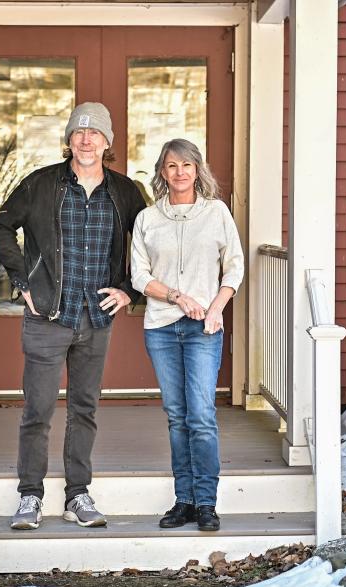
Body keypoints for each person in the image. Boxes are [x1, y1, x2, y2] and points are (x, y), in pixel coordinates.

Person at [0, 103, 147, 530]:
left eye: (95, 133)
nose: (86, 139)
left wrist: (130, 289)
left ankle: (77, 494)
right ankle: (30, 496)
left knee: (84, 408)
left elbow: (151, 242)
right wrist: (22, 282)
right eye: (78, 132)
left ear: (107, 141)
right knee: (37, 410)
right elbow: (0, 227)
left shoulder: (126, 191)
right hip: (47, 316)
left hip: (96, 318)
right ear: (69, 139)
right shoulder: (42, 184)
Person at [130, 139, 244, 532]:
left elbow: (234, 267)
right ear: (162, 172)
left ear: (198, 170)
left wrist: (216, 307)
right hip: (161, 327)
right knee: (177, 417)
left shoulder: (216, 213)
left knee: (201, 415)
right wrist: (178, 297)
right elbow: (140, 277)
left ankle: (207, 502)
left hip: (204, 329)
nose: (179, 172)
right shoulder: (147, 219)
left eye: (187, 165)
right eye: (171, 165)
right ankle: (185, 500)